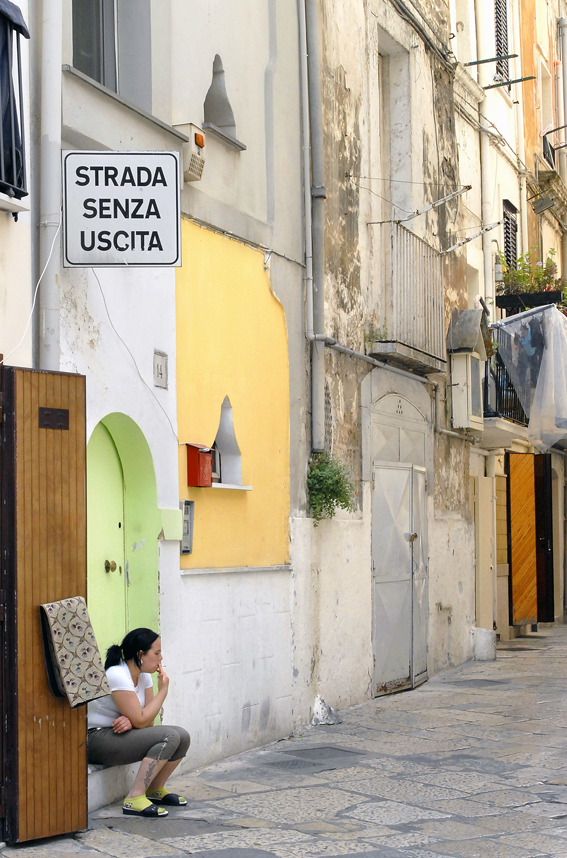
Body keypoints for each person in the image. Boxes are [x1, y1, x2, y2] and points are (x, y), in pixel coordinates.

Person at [87, 628, 191, 817]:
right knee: (169, 736)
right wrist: (163, 692)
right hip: (97, 738)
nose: (160, 658)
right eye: (157, 653)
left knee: (182, 736)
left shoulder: (143, 676)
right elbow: (143, 720)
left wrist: (133, 719)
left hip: (118, 735)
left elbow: (148, 721)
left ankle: (155, 789)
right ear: (140, 654)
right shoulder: (118, 674)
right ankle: (135, 797)